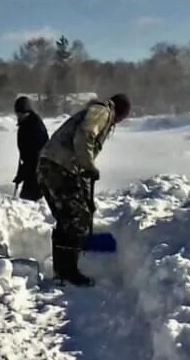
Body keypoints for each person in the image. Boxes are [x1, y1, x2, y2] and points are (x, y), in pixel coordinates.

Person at [37, 93, 131, 286]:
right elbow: (84, 135)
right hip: (59, 166)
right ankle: (68, 272)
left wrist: (85, 180)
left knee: (68, 218)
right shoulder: (102, 111)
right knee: (76, 218)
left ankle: (62, 271)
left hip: (54, 166)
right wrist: (88, 166)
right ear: (120, 113)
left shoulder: (96, 111)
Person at [12, 95, 48, 201]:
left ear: (27, 111)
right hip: (31, 168)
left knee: (29, 200)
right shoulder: (24, 125)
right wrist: (21, 173)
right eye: (17, 113)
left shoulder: (35, 126)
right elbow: (25, 154)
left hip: (39, 169)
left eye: (21, 113)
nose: (18, 115)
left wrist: (24, 173)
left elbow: (36, 153)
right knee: (26, 199)